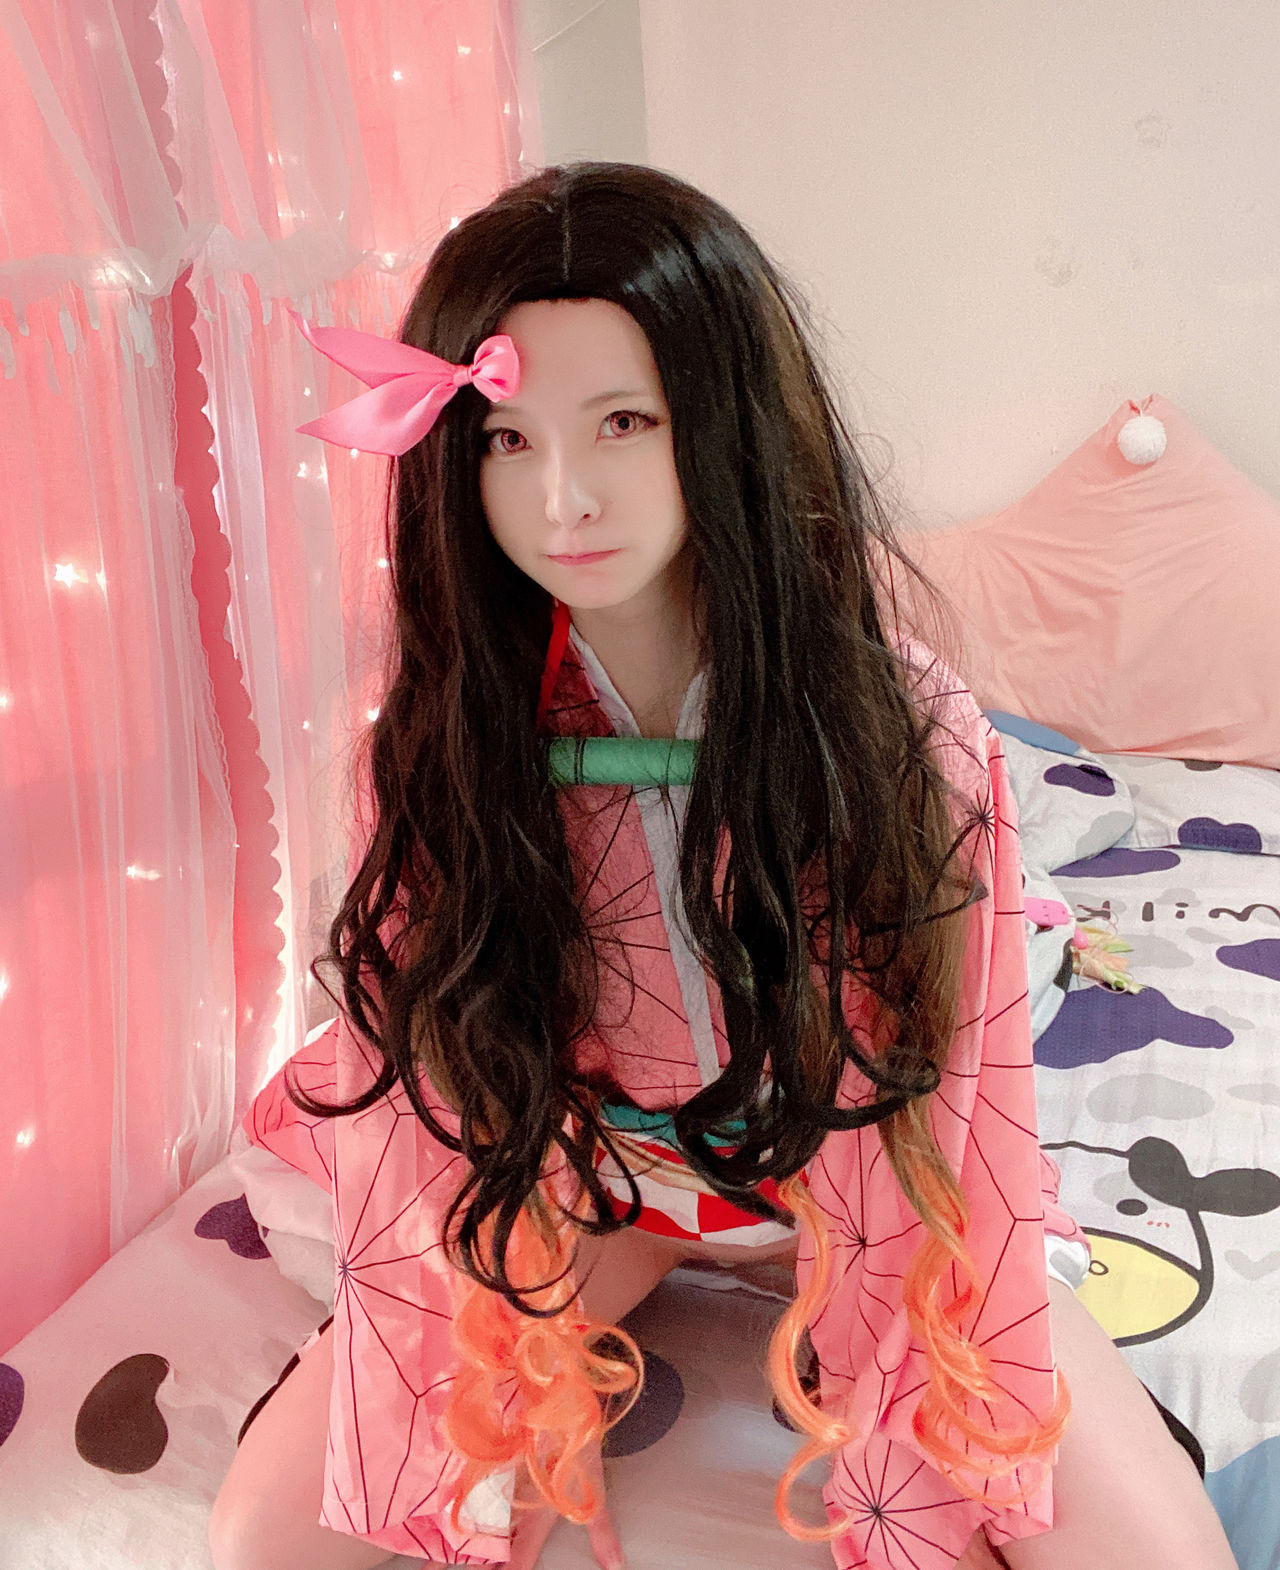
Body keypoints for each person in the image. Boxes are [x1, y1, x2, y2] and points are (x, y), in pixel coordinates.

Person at [208, 161, 1237, 1570]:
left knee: (1149, 1554)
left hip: (871, 1185)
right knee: (268, 1539)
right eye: (506, 437)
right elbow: (439, 1095)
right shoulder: (452, 745)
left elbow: (956, 1096)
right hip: (593, 1189)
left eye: (624, 422)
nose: (565, 496)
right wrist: (493, 1288)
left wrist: (902, 1369)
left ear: (724, 420)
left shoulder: (899, 731)